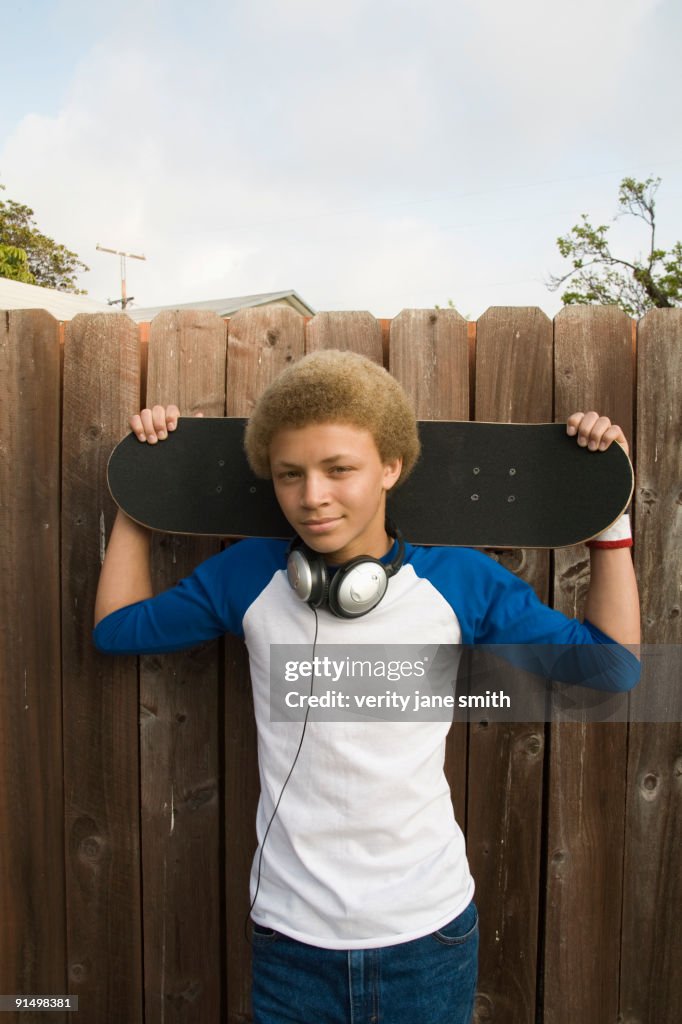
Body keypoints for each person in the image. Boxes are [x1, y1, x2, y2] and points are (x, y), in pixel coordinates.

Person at [93, 350, 640, 1024]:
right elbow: (117, 631)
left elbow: (610, 670)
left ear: (390, 468)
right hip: (289, 939)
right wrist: (146, 490)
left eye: (339, 469)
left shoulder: (461, 583)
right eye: (290, 475)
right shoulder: (248, 577)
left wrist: (606, 517)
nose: (312, 496)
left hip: (425, 937)